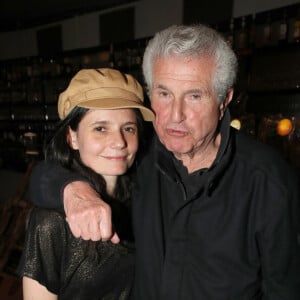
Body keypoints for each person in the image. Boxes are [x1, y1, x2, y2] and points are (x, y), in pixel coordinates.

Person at [29, 24, 300, 299]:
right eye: (164, 94)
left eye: (194, 95)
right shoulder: (138, 153)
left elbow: (285, 290)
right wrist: (74, 190)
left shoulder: (269, 181)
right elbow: (44, 174)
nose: (175, 115)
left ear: (224, 99)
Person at [18, 68, 155, 300]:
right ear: (72, 138)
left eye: (128, 128)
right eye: (100, 128)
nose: (119, 142)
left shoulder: (147, 199)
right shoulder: (51, 224)